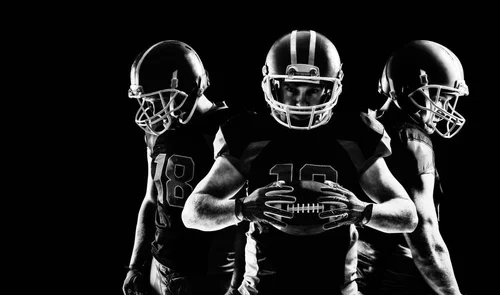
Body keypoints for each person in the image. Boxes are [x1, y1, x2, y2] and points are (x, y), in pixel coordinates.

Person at [181, 29, 418, 295]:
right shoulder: (249, 134)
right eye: (291, 89)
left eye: (313, 90)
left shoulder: (355, 134)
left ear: (332, 88)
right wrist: (244, 208)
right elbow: (192, 213)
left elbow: (407, 216)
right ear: (272, 85)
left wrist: (362, 211)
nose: (301, 100)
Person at [122, 40, 243, 295]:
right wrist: (136, 265)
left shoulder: (232, 128)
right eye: (146, 101)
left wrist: (239, 280)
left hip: (209, 277)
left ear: (189, 88)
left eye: (159, 98)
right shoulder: (156, 132)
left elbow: (245, 218)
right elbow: (151, 200)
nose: (151, 110)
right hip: (159, 269)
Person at [357, 40, 468, 295]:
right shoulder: (413, 142)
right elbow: (426, 243)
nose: (444, 110)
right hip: (382, 281)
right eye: (442, 97)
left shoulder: (369, 129)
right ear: (416, 89)